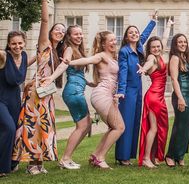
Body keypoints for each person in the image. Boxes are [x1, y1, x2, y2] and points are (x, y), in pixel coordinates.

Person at [13, 0, 64, 175]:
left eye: (62, 31)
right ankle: (31, 164)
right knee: (32, 125)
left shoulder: (56, 52)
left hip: (47, 93)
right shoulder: (45, 44)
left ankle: (39, 162)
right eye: (57, 29)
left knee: (45, 125)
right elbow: (44, 20)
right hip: (37, 92)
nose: (60, 32)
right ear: (50, 32)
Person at [68, 31, 125, 169]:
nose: (114, 42)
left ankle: (95, 156)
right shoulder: (102, 55)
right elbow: (87, 60)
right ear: (103, 43)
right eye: (110, 40)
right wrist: (70, 62)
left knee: (114, 127)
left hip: (107, 95)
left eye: (114, 40)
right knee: (119, 127)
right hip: (102, 95)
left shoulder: (114, 57)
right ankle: (100, 157)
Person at [41, 25, 93, 170]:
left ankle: (67, 158)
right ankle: (65, 159)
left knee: (86, 125)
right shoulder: (69, 49)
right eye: (76, 34)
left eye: (81, 34)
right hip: (73, 92)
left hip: (77, 89)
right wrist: (51, 77)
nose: (79, 36)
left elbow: (76, 74)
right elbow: (65, 65)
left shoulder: (78, 50)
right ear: (69, 37)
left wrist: (89, 82)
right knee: (82, 126)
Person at [115, 12, 157, 165]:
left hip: (138, 89)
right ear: (126, 37)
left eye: (136, 32)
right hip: (127, 92)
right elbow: (123, 71)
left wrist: (153, 21)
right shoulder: (124, 51)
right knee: (126, 122)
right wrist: (121, 91)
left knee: (134, 122)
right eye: (131, 32)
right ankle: (122, 156)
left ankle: (129, 155)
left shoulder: (139, 48)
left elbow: (145, 35)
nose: (134, 34)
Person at [137, 20, 173, 168]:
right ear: (149, 49)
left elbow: (163, 40)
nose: (156, 49)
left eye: (158, 47)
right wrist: (143, 69)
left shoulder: (160, 56)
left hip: (159, 97)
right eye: (153, 47)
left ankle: (154, 156)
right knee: (153, 128)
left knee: (160, 127)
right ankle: (146, 158)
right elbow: (148, 63)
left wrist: (169, 26)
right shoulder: (152, 58)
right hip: (153, 97)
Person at [0, 31, 29, 177]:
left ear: (24, 43)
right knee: (9, 128)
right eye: (13, 43)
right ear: (9, 44)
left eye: (19, 43)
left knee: (16, 131)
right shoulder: (4, 56)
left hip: (14, 100)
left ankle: (11, 164)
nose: (17, 46)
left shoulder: (24, 56)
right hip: (0, 99)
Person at [165, 34, 189, 167]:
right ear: (175, 44)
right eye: (180, 42)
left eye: (184, 42)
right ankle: (171, 155)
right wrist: (181, 98)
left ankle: (180, 155)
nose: (183, 44)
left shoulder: (186, 57)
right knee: (180, 126)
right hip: (181, 94)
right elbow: (174, 79)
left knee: (187, 128)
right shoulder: (175, 58)